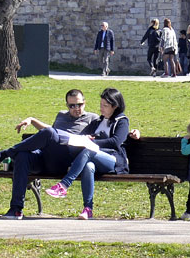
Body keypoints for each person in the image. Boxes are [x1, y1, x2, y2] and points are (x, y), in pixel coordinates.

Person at [0, 89, 100, 220]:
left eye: (79, 104)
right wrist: (32, 120)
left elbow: (98, 141)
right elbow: (51, 133)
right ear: (67, 106)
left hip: (64, 161)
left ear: (84, 102)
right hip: (45, 158)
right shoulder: (61, 115)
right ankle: (16, 209)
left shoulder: (92, 119)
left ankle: (3, 154)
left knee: (49, 133)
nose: (76, 108)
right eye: (72, 106)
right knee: (22, 156)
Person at [44, 88, 129, 220]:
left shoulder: (122, 121)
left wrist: (94, 142)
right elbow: (83, 137)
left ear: (115, 106)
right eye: (100, 105)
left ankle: (64, 185)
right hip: (94, 159)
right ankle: (88, 209)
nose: (101, 109)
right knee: (89, 166)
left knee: (89, 149)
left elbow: (116, 142)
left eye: (105, 106)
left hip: (113, 161)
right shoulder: (98, 121)